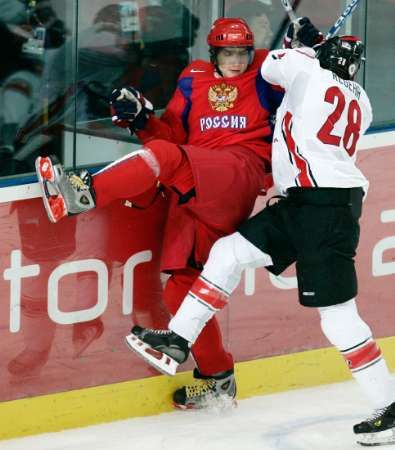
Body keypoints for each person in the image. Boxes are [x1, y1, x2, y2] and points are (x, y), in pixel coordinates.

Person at [125, 34, 395, 446]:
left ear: (322, 58)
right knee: (228, 252)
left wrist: (299, 45)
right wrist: (306, 45)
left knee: (337, 318)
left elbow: (270, 68)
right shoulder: (361, 98)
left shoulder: (308, 70)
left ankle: (389, 405)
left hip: (324, 211)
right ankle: (178, 339)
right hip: (304, 203)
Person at [35, 17, 312, 409]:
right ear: (213, 52)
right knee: (181, 286)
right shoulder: (193, 77)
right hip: (194, 179)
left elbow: (318, 76)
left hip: (239, 170)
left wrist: (308, 47)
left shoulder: (267, 69)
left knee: (168, 160)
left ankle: (80, 194)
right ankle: (218, 378)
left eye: (242, 52)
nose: (236, 60)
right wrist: (143, 120)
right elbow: (173, 141)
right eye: (228, 52)